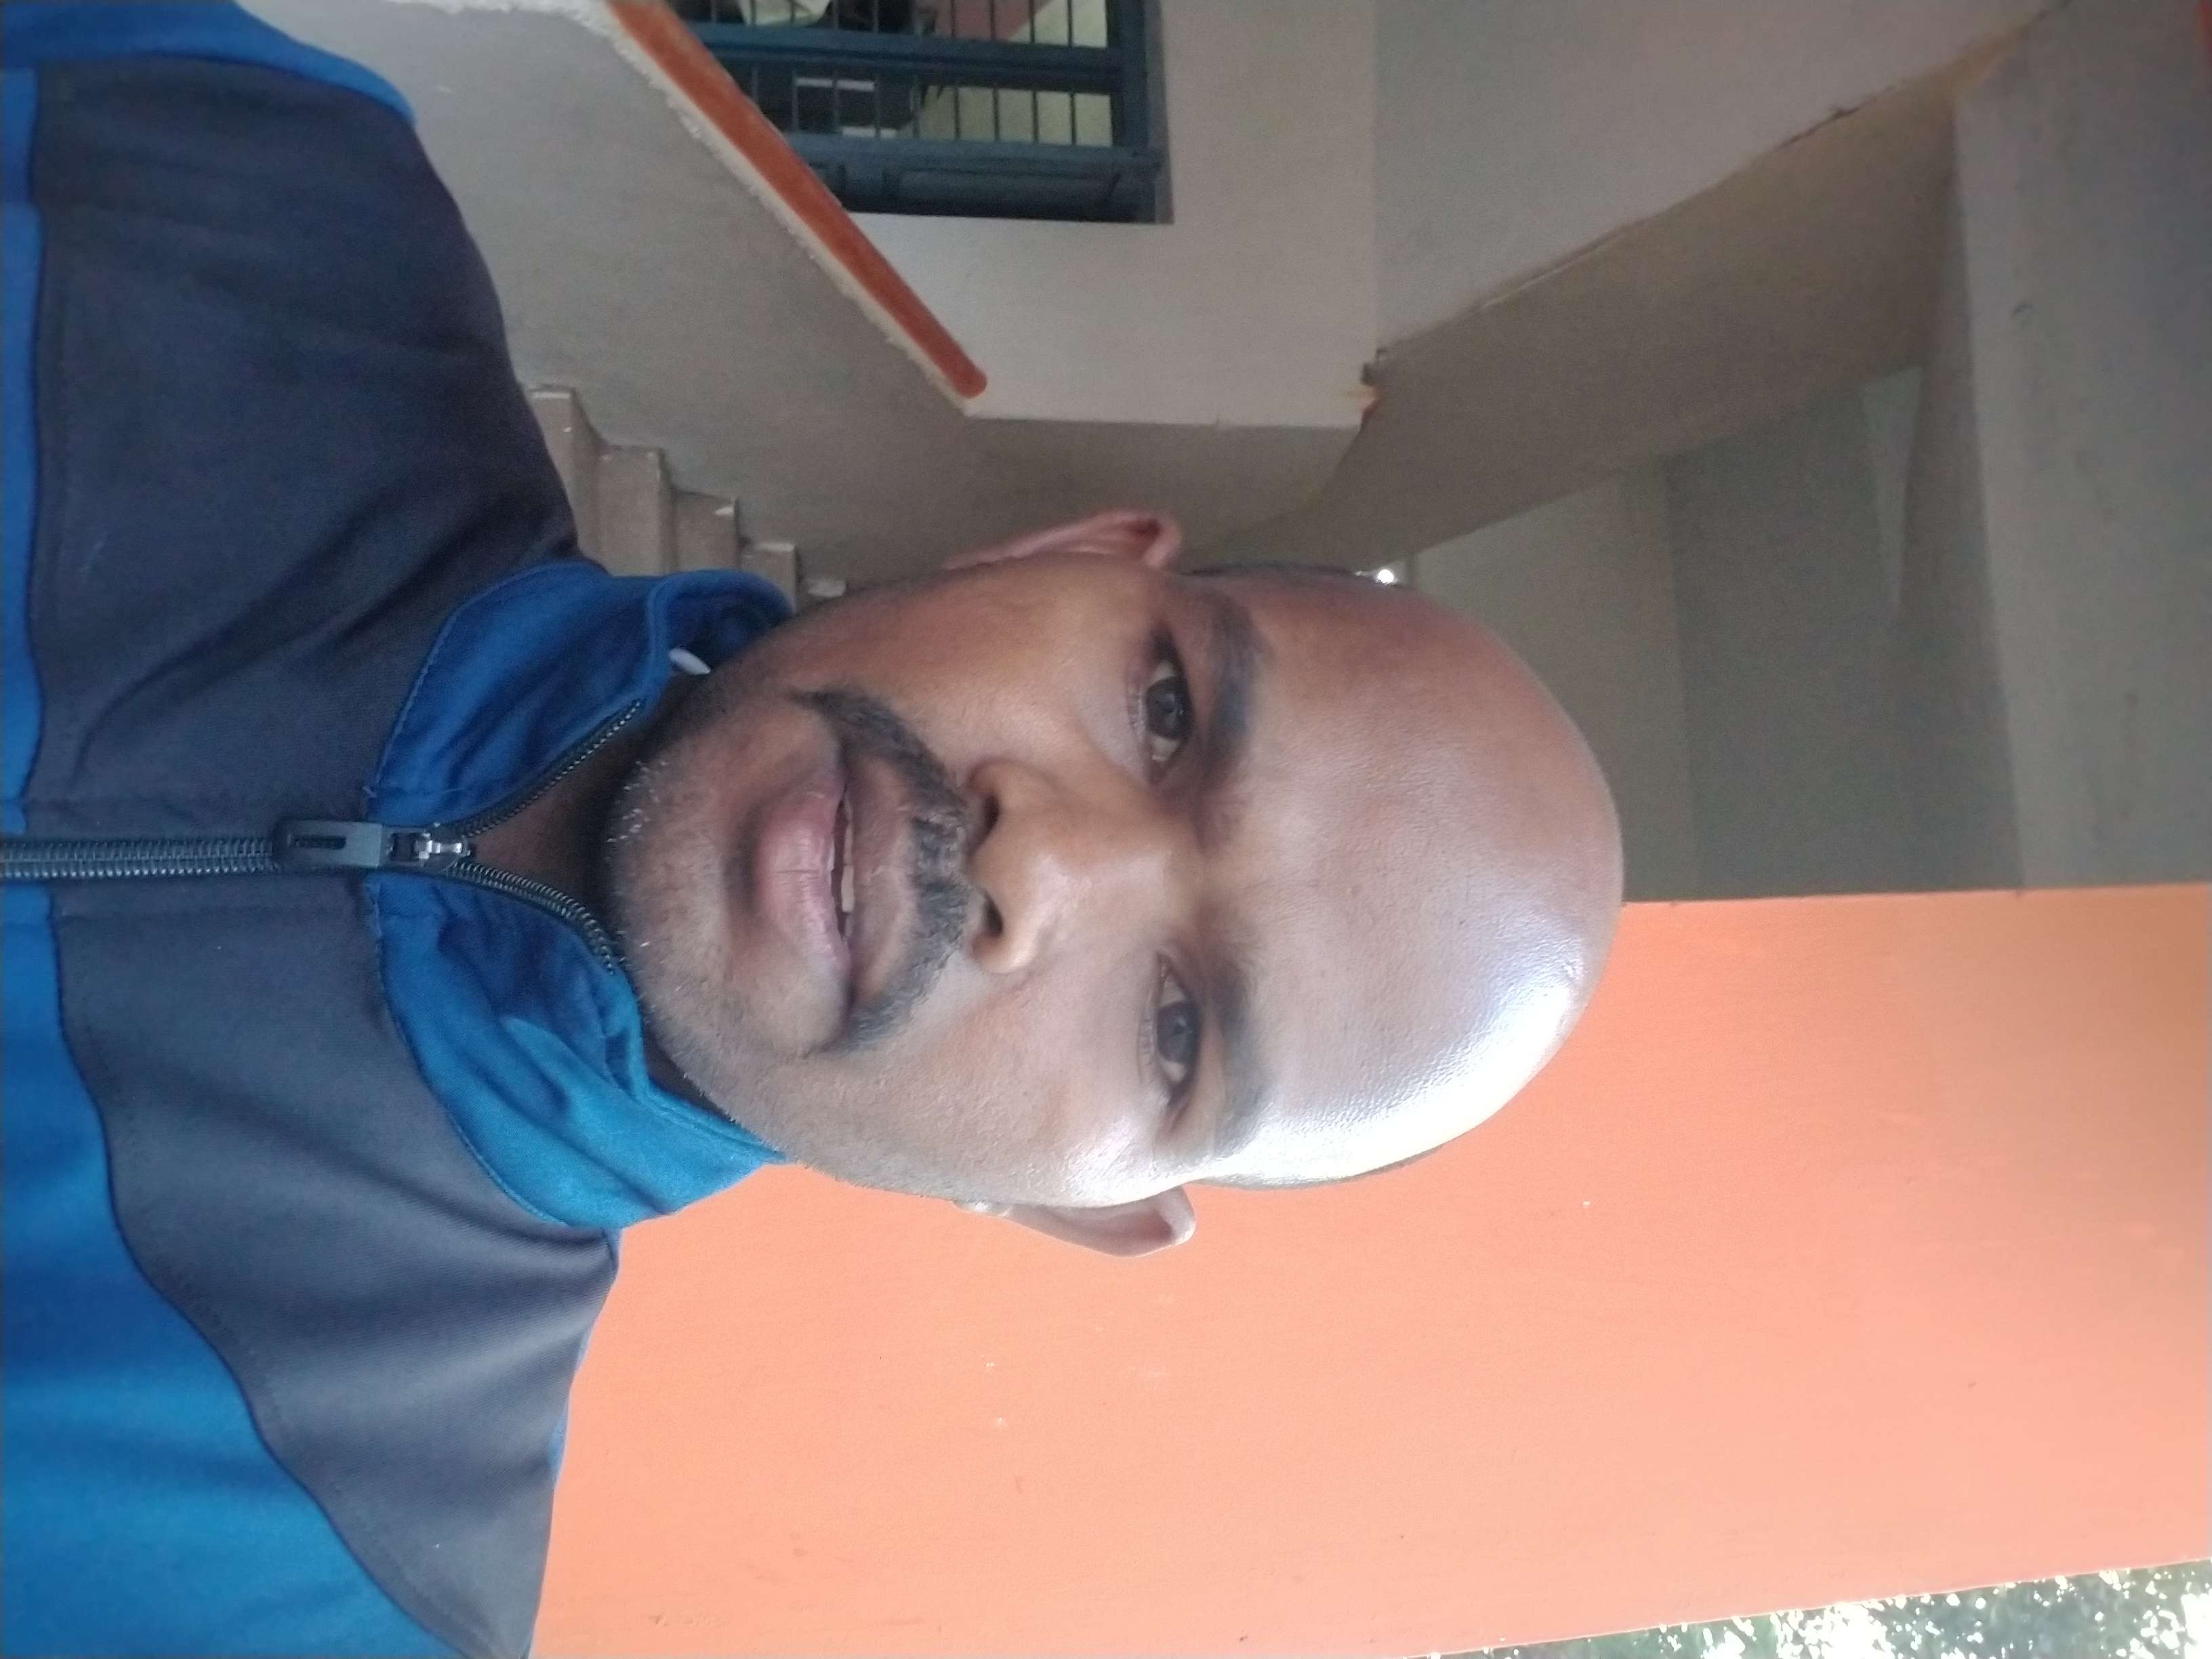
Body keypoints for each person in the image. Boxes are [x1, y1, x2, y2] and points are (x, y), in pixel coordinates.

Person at [0, 5, 1622, 1656]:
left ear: (1070, 1208)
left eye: (1177, 1030)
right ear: (1054, 558)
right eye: (1163, 711)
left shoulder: (296, 1596)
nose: (1040, 861)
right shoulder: (235, 174)